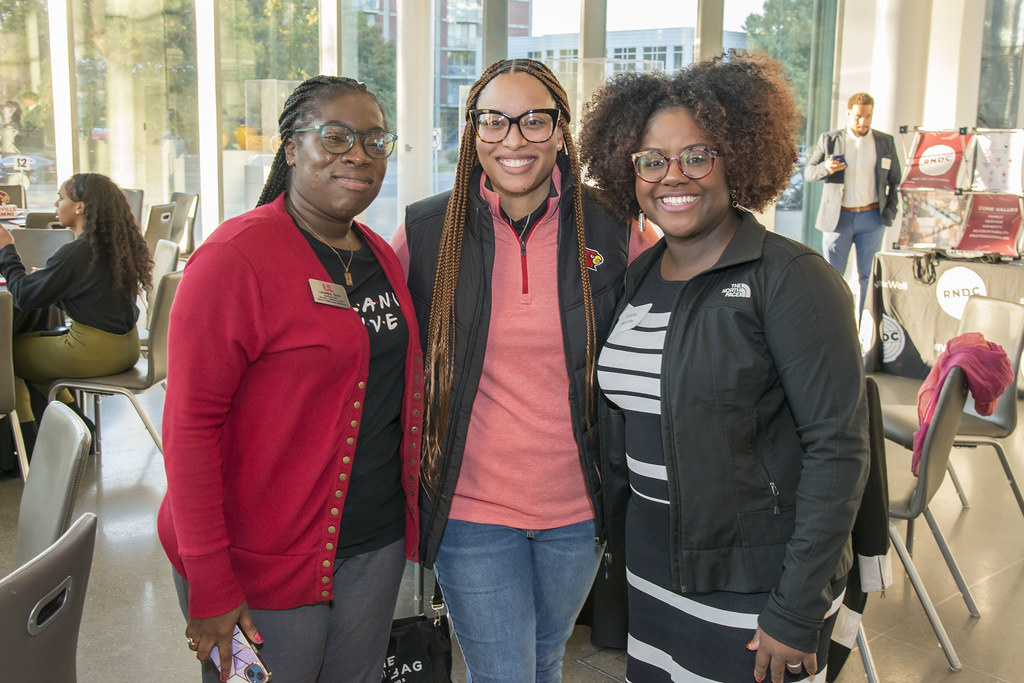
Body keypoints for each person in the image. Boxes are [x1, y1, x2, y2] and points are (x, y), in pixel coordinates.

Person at [580, 52, 869, 683]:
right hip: (653, 571)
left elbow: (838, 450)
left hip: (756, 586)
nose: (672, 175)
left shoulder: (790, 278)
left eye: (697, 155)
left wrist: (795, 609)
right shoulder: (640, 277)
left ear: (735, 158)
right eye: (651, 160)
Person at [390, 58, 655, 682]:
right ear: (472, 131)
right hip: (472, 508)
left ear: (561, 130)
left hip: (578, 509)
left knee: (541, 658)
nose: (514, 139)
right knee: (505, 672)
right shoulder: (429, 231)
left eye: (535, 120)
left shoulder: (613, 226)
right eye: (494, 121)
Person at [157, 76, 424, 682]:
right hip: (261, 560)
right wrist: (210, 579)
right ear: (290, 149)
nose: (357, 153)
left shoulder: (378, 254)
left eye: (375, 140)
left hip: (372, 545)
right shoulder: (235, 258)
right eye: (334, 137)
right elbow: (190, 430)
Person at [0, 173, 152, 448]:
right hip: (124, 349)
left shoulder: (76, 253)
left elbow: (22, 296)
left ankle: (28, 444)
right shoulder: (110, 246)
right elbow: (91, 296)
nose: (57, 204)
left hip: (94, 353)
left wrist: (6, 250)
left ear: (80, 206)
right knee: (29, 347)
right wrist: (52, 281)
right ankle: (81, 426)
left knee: (6, 358)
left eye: (61, 198)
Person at [804, 92, 901, 311]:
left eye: (868, 116)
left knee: (868, 278)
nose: (863, 121)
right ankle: (834, 324)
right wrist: (826, 168)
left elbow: (895, 181)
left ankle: (863, 329)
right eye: (858, 116)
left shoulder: (885, 142)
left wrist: (889, 214)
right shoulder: (830, 140)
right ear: (849, 113)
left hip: (872, 218)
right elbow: (808, 173)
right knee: (832, 277)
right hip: (839, 218)